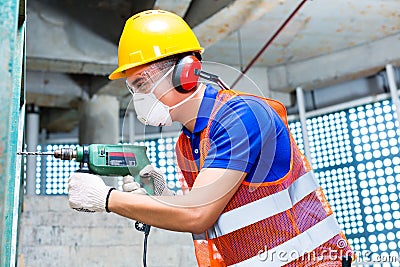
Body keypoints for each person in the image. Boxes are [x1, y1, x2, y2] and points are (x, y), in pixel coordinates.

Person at [68, 10, 354, 266]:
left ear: (185, 73)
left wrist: (107, 198)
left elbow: (198, 214)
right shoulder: (188, 143)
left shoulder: (241, 117)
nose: (138, 97)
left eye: (141, 83)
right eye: (132, 89)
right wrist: (164, 199)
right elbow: (214, 219)